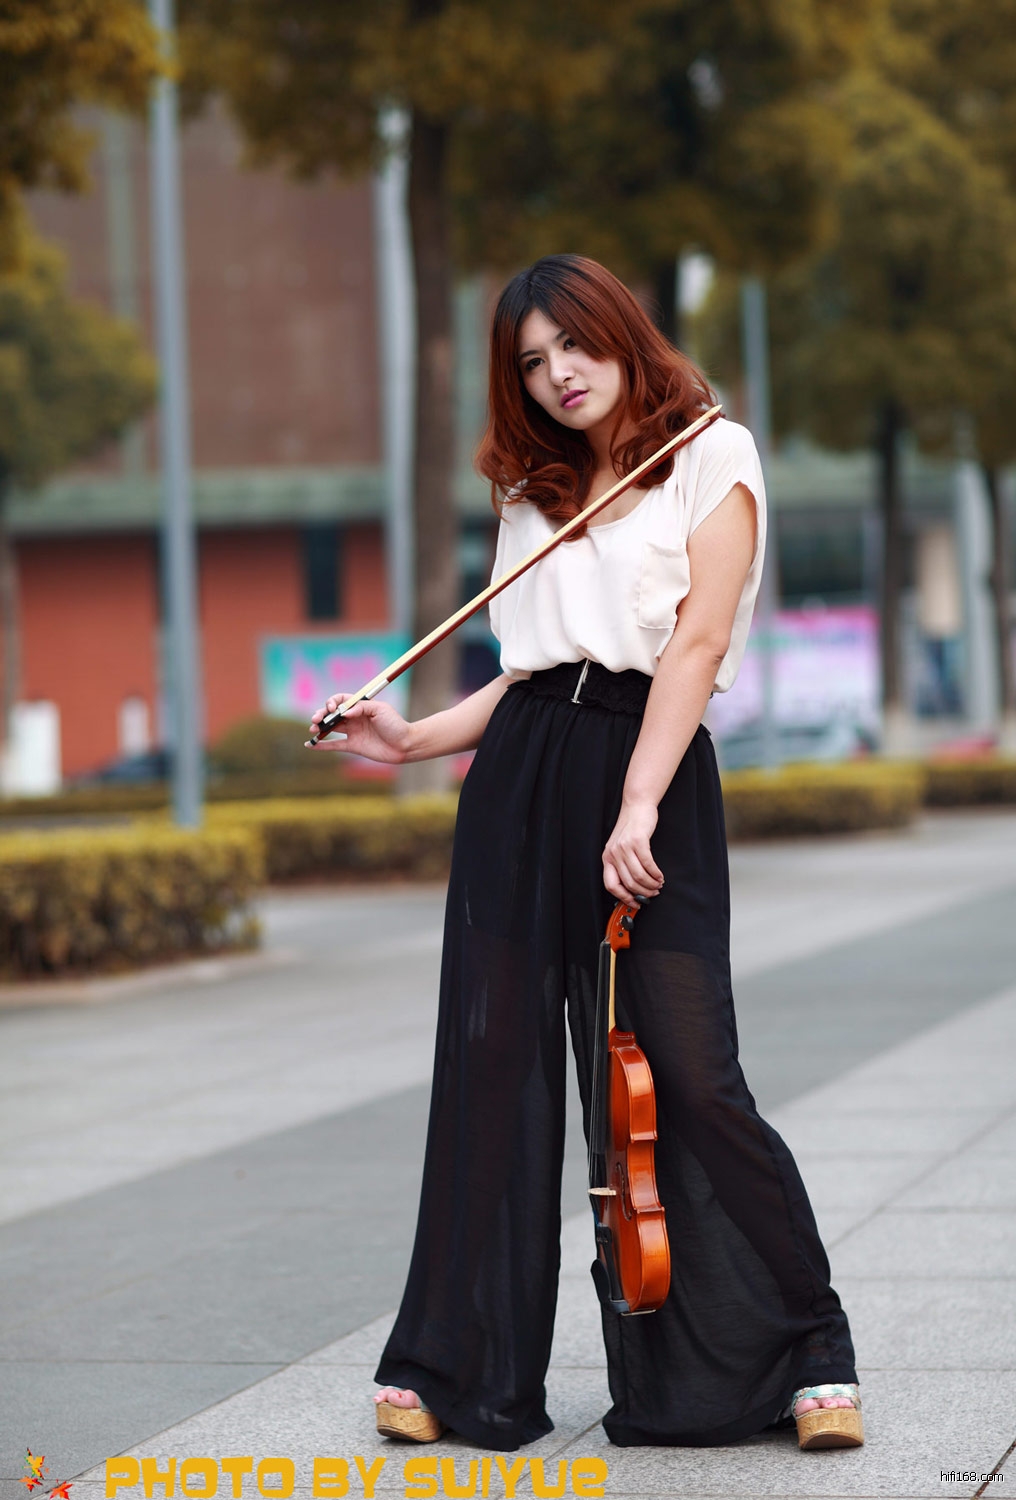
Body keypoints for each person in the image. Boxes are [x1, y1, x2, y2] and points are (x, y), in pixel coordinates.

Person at [308, 254, 863, 1454]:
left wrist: (637, 803)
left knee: (688, 1076)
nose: (557, 373)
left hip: (645, 771)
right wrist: (408, 741)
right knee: (490, 1074)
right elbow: (527, 672)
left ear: (619, 333)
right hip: (520, 781)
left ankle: (808, 1347)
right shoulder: (532, 491)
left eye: (573, 343)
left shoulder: (713, 451)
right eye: (530, 361)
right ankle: (454, 1369)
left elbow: (695, 643)